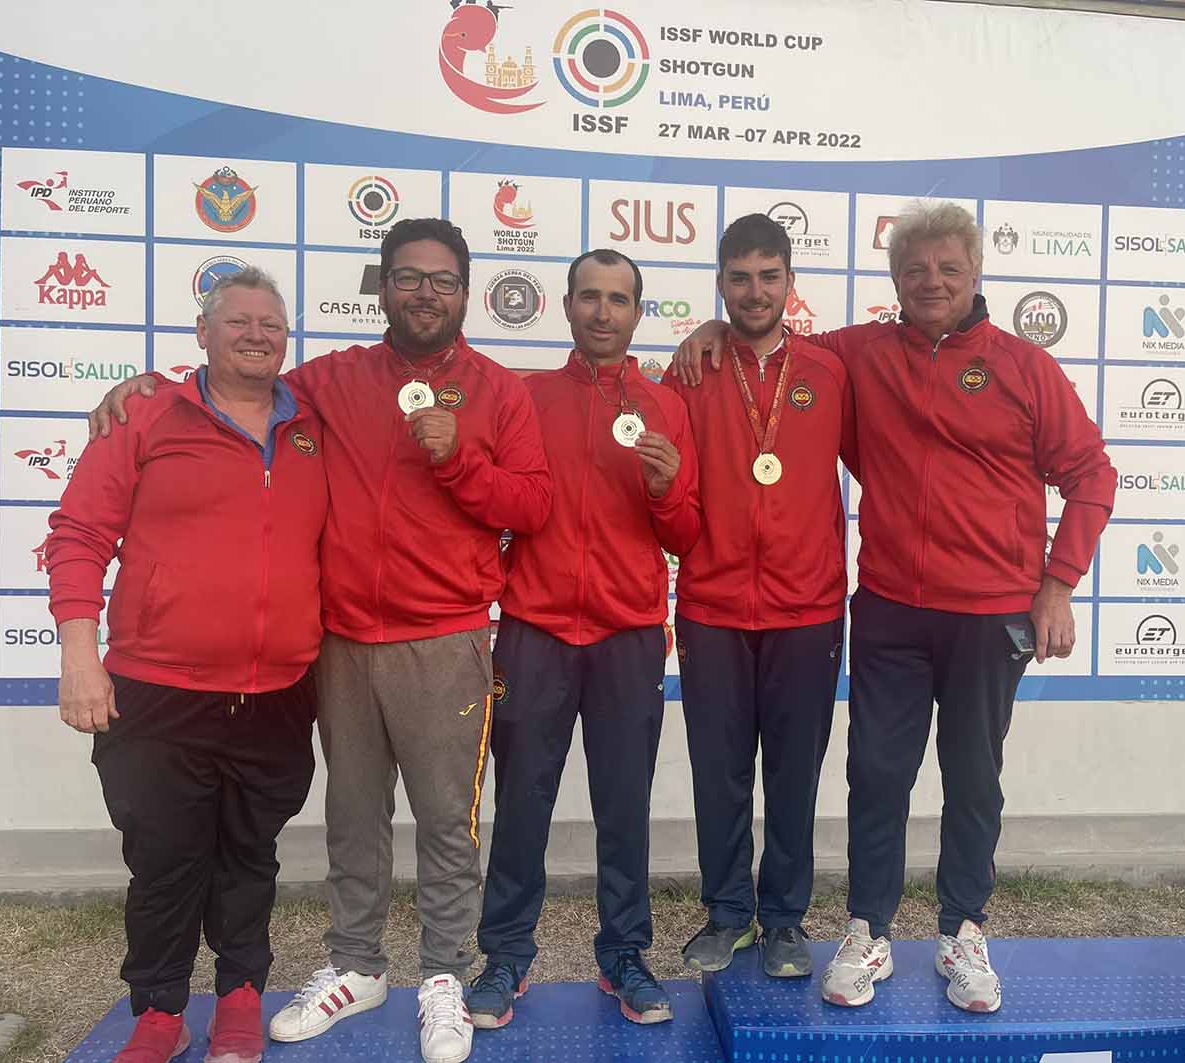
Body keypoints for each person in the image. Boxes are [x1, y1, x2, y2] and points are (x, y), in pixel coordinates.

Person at [88, 219, 553, 1063]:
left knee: (448, 820)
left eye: (442, 280)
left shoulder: (497, 391)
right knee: (352, 815)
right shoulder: (328, 380)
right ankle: (356, 964)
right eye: (408, 277)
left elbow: (532, 509)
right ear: (382, 287)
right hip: (338, 642)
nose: (424, 293)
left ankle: (444, 973)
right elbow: (234, 380)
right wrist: (145, 387)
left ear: (464, 291)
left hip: (443, 640)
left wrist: (460, 463)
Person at [674, 201, 1115, 1014]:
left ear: (975, 275)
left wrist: (1057, 583)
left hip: (990, 612)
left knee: (974, 776)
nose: (932, 282)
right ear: (895, 280)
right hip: (888, 607)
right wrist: (709, 324)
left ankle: (962, 930)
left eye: (948, 268)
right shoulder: (856, 355)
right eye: (916, 270)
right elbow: (763, 334)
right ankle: (867, 927)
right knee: (876, 773)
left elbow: (1091, 474)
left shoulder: (1023, 367)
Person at [50, 269, 326, 1063]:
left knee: (248, 855)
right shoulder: (146, 412)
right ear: (201, 332)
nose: (256, 334)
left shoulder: (313, 422)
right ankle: (159, 1011)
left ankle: (241, 997)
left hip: (276, 694)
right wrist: (79, 653)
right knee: (166, 861)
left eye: (271, 324)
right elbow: (77, 534)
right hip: (158, 692)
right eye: (237, 320)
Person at [467, 249, 701, 1030]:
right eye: (590, 297)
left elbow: (689, 533)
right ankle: (504, 954)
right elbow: (489, 493)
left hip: (628, 635)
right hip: (533, 632)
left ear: (637, 313)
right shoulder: (523, 396)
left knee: (624, 805)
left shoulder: (666, 406)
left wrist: (668, 490)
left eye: (619, 299)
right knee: (522, 800)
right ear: (564, 305)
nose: (603, 311)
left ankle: (625, 954)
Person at [665, 215, 848, 980]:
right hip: (711, 607)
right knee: (719, 771)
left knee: (794, 773)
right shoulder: (691, 369)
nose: (753, 292)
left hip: (807, 609)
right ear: (720, 282)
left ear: (789, 282)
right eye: (738, 278)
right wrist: (700, 332)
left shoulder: (833, 369)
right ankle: (727, 912)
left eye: (768, 276)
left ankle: (784, 919)